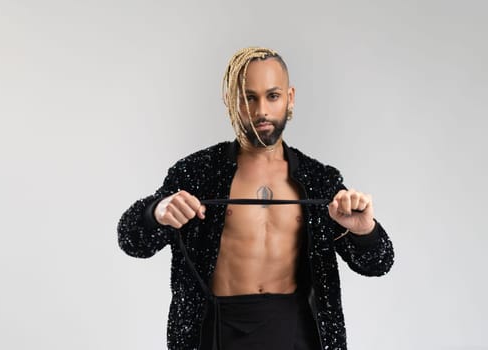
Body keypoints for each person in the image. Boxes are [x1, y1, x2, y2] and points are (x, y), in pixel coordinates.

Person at [118, 47, 394, 350]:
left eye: (272, 96)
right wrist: (157, 211)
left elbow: (377, 263)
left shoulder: (319, 180)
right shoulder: (197, 172)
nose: (261, 110)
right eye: (249, 97)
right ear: (231, 101)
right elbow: (132, 241)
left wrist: (364, 230)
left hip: (296, 331)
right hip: (218, 331)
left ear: (290, 97)